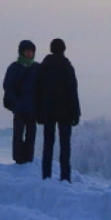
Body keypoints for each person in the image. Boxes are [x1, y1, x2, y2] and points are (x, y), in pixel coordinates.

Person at [36, 38, 80, 182]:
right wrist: (76, 113)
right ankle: (65, 178)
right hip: (65, 113)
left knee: (48, 145)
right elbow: (73, 91)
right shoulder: (67, 67)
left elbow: (38, 91)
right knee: (65, 147)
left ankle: (46, 176)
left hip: (48, 112)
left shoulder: (44, 67)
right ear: (64, 49)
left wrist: (39, 111)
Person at [3, 40, 40, 164]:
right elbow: (8, 86)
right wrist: (15, 102)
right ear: (22, 52)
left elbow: (44, 87)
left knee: (31, 134)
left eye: (32, 51)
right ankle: (18, 159)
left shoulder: (37, 68)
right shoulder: (14, 68)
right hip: (19, 108)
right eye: (27, 51)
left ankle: (29, 158)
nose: (30, 53)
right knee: (18, 134)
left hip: (33, 107)